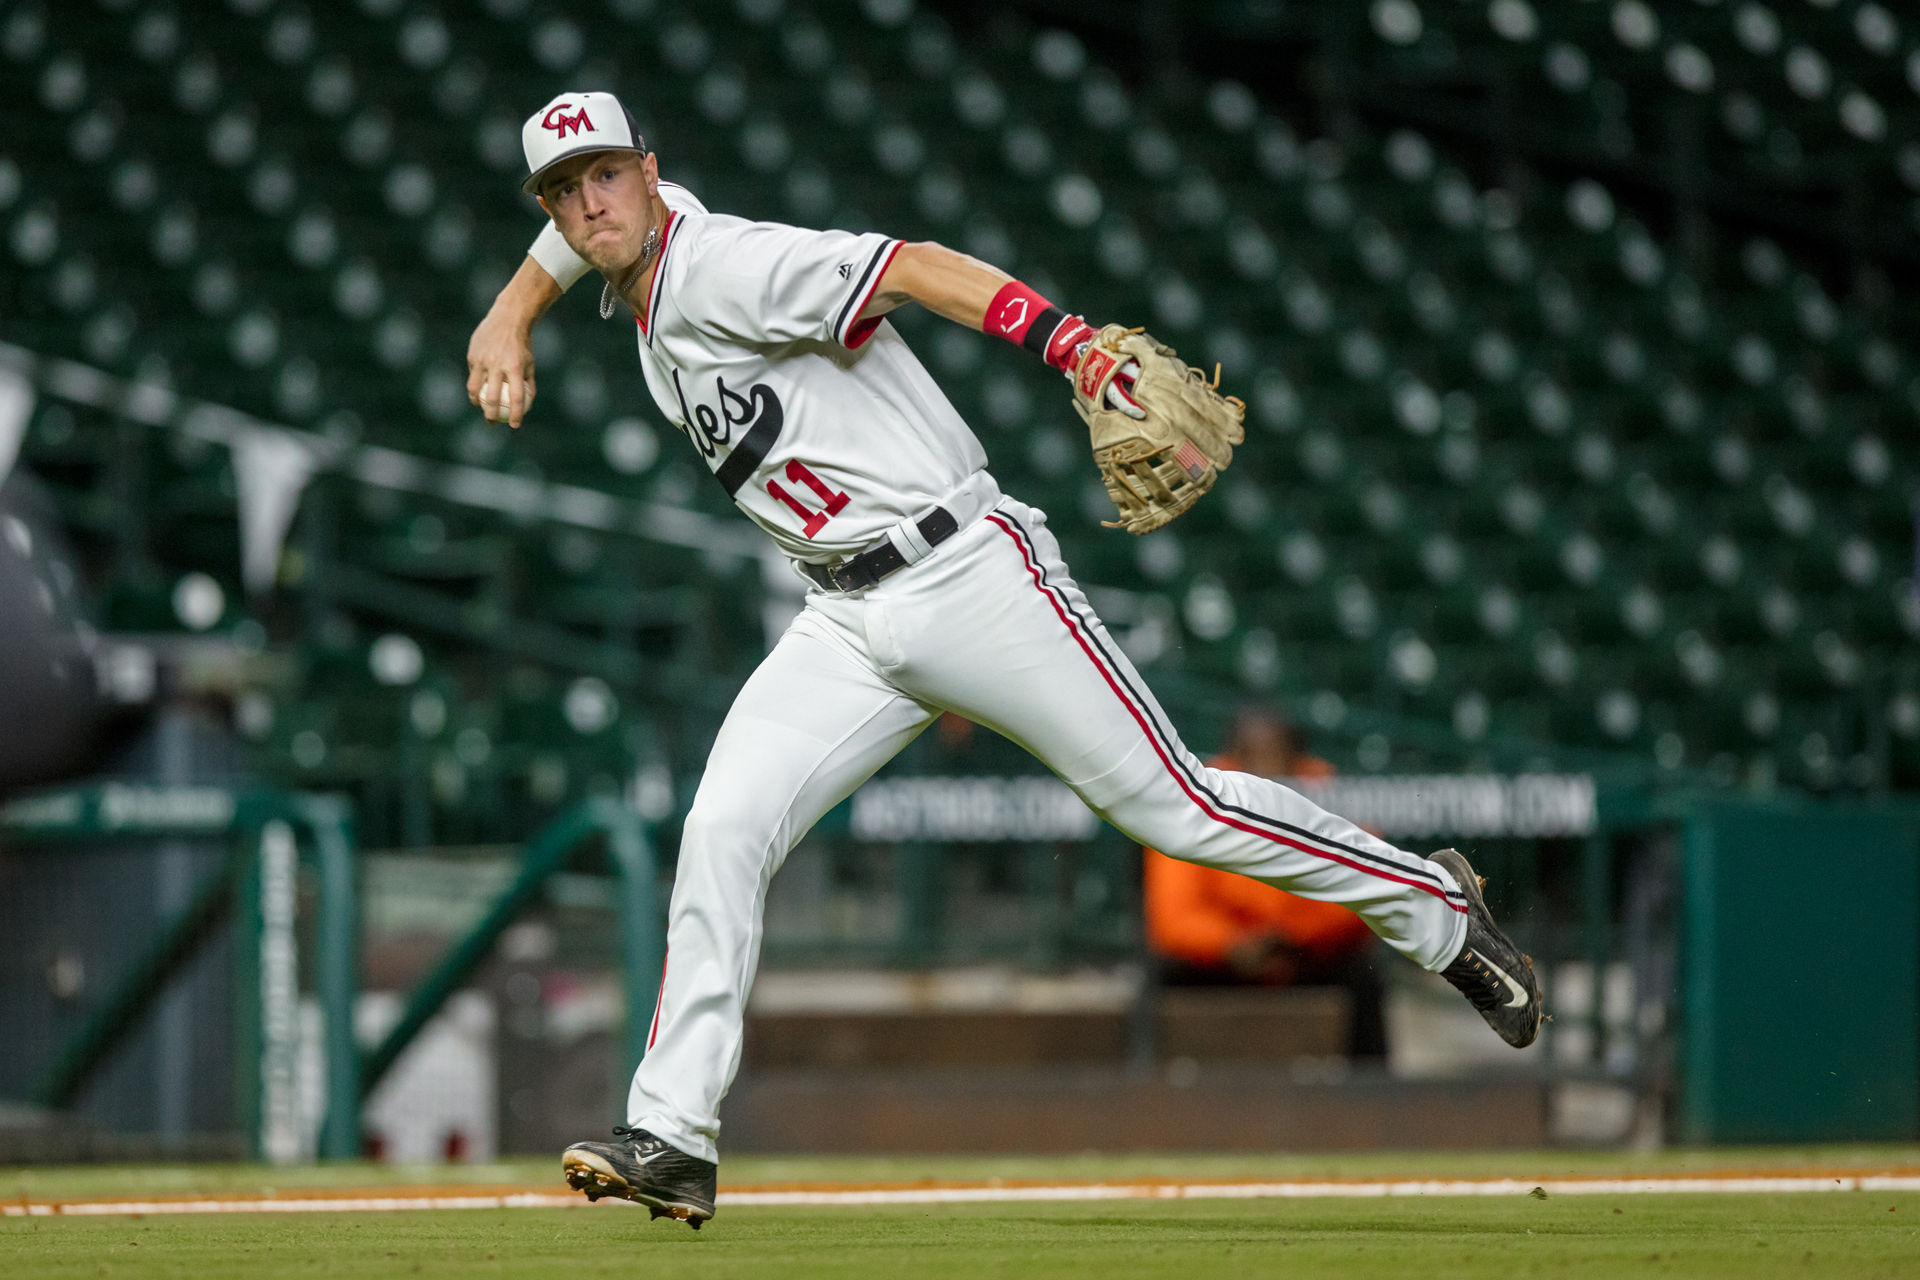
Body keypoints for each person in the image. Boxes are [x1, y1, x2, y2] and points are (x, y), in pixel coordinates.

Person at [466, 91, 1542, 1230]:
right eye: (566, 190)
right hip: (841, 617)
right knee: (724, 825)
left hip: (963, 571)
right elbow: (576, 241)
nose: (592, 203)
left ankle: (1435, 903)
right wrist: (513, 307)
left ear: (649, 169)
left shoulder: (725, 264)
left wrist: (1067, 342)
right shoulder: (630, 248)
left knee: (1177, 807)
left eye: (608, 176)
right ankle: (674, 1135)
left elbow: (916, 267)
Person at [1143, 708, 1387, 1060]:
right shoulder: (1195, 796)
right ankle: (1150, 1091)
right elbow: (1173, 917)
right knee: (1159, 977)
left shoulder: (1326, 790)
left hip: (1303, 955)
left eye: (1277, 757)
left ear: (1297, 757)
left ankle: (1370, 1100)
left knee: (1363, 978)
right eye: (1253, 757)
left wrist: (1292, 939)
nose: (1267, 770)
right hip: (1223, 960)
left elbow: (1365, 891)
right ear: (1233, 757)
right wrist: (1233, 946)